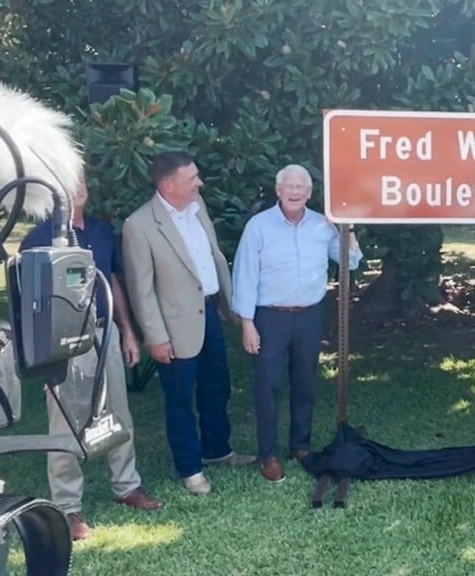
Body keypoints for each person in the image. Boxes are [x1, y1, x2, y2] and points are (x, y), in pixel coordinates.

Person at [19, 172, 163, 541]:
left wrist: (127, 331)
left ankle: (126, 486)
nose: (78, 187)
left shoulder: (100, 230)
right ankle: (68, 507)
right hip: (63, 341)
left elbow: (111, 281)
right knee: (66, 422)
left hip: (105, 332)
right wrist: (41, 357)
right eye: (69, 183)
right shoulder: (38, 238)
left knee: (118, 412)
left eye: (82, 181)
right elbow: (29, 302)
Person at [121, 151, 255, 496]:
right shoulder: (140, 225)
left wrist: (229, 305)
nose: (200, 183)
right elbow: (141, 289)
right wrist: (156, 336)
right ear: (168, 185)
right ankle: (190, 468)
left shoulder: (198, 207)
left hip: (210, 313)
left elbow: (213, 258)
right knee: (180, 399)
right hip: (173, 327)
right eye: (192, 178)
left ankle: (217, 450)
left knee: (217, 386)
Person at [231, 164, 363, 483]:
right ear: (277, 191)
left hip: (310, 315)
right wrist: (247, 323)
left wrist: (348, 229)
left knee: (305, 382)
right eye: (288, 186)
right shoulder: (258, 227)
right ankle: (269, 454)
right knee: (268, 386)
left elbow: (352, 261)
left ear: (309, 193)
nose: (293, 192)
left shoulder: (322, 225)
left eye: (300, 187)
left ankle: (300, 446)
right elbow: (245, 276)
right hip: (270, 317)